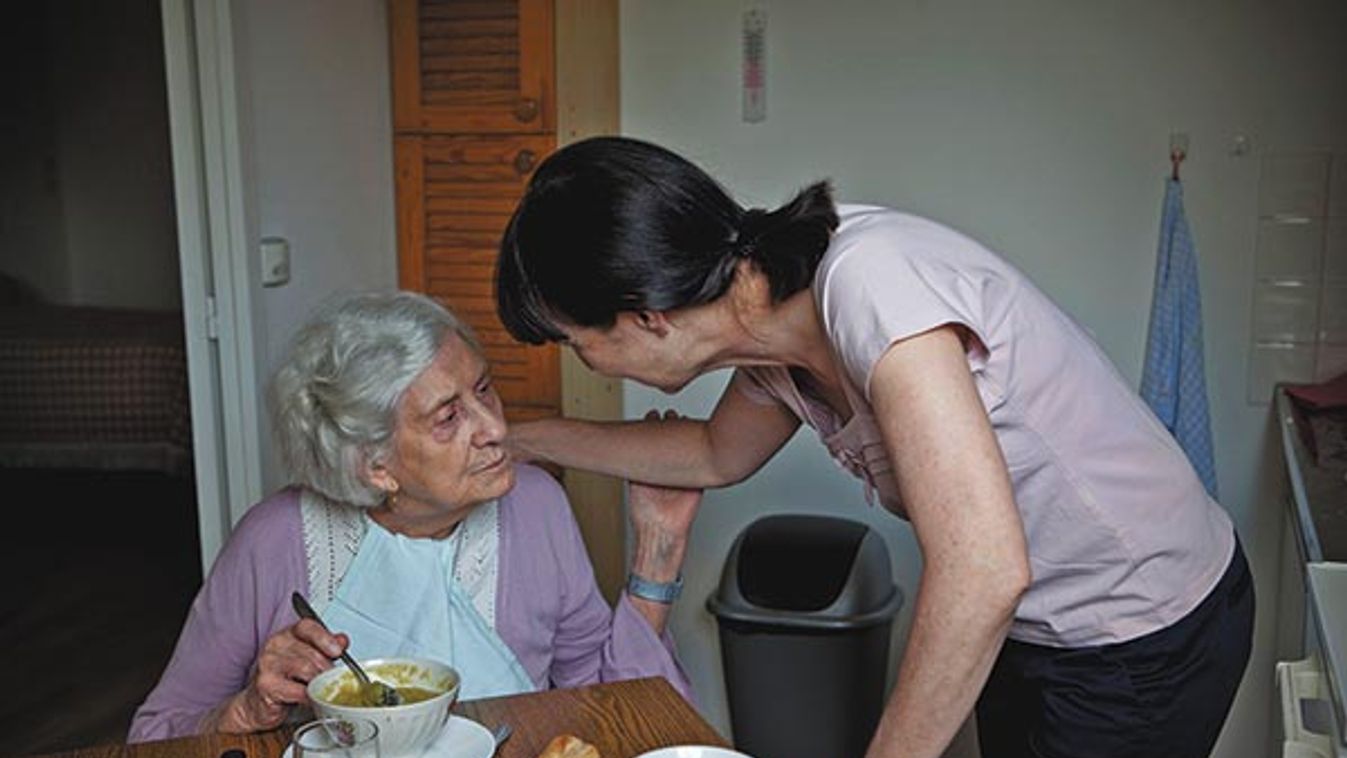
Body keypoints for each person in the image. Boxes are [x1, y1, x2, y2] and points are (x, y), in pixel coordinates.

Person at [495, 136, 1254, 758]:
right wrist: (518, 441)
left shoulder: (871, 284)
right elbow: (711, 455)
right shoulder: (769, 334)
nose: (584, 363)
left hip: (1143, 627)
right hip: (1033, 625)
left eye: (574, 343)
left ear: (646, 316)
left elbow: (984, 570)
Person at [129, 291, 698, 741]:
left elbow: (604, 705)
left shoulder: (535, 505)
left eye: (485, 390)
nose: (496, 429)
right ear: (376, 466)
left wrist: (658, 544)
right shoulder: (273, 540)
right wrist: (245, 710)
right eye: (449, 418)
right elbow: (155, 735)